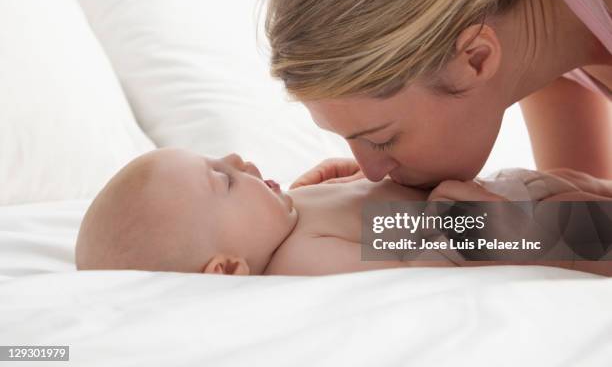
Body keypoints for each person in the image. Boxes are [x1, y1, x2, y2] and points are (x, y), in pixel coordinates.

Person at [265, 0, 612, 200]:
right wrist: (383, 222)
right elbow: (593, 230)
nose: (371, 172)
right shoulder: (540, 47)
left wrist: (521, 234)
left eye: (382, 140)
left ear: (475, 59)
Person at [76, 149, 612, 276]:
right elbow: (411, 261)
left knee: (591, 185)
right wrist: (465, 225)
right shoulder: (302, 257)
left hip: (505, 187)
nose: (241, 159)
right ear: (227, 269)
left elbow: (372, 214)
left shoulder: (284, 217)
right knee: (592, 225)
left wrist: (358, 178)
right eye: (223, 178)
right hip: (512, 222)